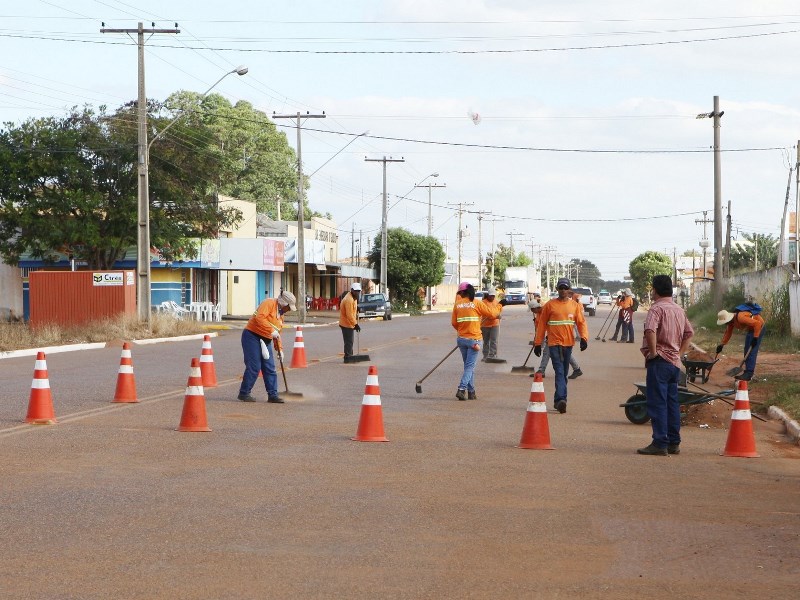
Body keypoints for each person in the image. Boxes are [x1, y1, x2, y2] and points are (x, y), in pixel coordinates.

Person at [637, 275, 693, 456]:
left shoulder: (656, 309)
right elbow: (689, 333)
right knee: (672, 403)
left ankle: (660, 442)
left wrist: (653, 353)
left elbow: (650, 330)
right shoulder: (679, 310)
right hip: (674, 363)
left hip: (660, 362)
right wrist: (680, 354)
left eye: (652, 288)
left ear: (656, 290)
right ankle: (673, 442)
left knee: (657, 403)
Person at [533, 278, 588, 413]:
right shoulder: (550, 305)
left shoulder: (574, 306)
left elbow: (581, 323)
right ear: (557, 289)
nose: (563, 290)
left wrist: (584, 338)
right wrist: (538, 343)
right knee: (559, 371)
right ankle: (561, 399)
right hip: (553, 344)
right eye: (560, 288)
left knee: (563, 373)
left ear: (569, 289)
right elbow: (541, 325)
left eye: (565, 288)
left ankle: (559, 400)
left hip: (568, 344)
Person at [238, 290, 297, 403]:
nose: (289, 310)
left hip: (266, 339)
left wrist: (280, 349)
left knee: (270, 367)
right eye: (289, 307)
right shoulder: (268, 303)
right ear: (283, 303)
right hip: (252, 336)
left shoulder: (281, 316)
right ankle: (244, 393)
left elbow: (278, 334)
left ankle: (273, 395)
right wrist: (271, 330)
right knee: (254, 366)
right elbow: (259, 318)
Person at [452, 281, 502, 400]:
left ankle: (471, 391)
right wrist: (500, 305)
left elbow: (454, 323)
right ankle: (461, 388)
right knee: (469, 367)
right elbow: (491, 313)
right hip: (474, 340)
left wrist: (463, 330)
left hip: (461, 339)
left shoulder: (457, 304)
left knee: (468, 366)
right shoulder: (476, 303)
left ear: (462, 293)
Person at [715, 303, 765, 381]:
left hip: (759, 327)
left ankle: (749, 373)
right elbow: (728, 333)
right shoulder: (731, 323)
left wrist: (755, 338)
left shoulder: (740, 317)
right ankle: (747, 372)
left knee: (751, 351)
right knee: (746, 350)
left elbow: (757, 324)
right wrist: (721, 345)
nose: (726, 324)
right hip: (751, 329)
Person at [339, 282, 362, 362]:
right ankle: (348, 357)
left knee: (350, 341)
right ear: (352, 290)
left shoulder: (354, 297)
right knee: (349, 341)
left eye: (359, 291)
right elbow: (349, 315)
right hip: (346, 323)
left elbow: (353, 308)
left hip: (349, 323)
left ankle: (349, 356)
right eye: (356, 291)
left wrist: (357, 308)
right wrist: (355, 324)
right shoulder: (348, 299)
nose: (357, 292)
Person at [480, 286, 503, 361]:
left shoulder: (496, 302)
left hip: (495, 324)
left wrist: (499, 315)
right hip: (485, 325)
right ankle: (485, 356)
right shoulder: (483, 303)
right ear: (488, 295)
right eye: (491, 296)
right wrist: (494, 315)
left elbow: (499, 311)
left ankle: (492, 355)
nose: (492, 297)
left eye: (493, 296)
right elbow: (488, 315)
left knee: (494, 340)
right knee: (486, 341)